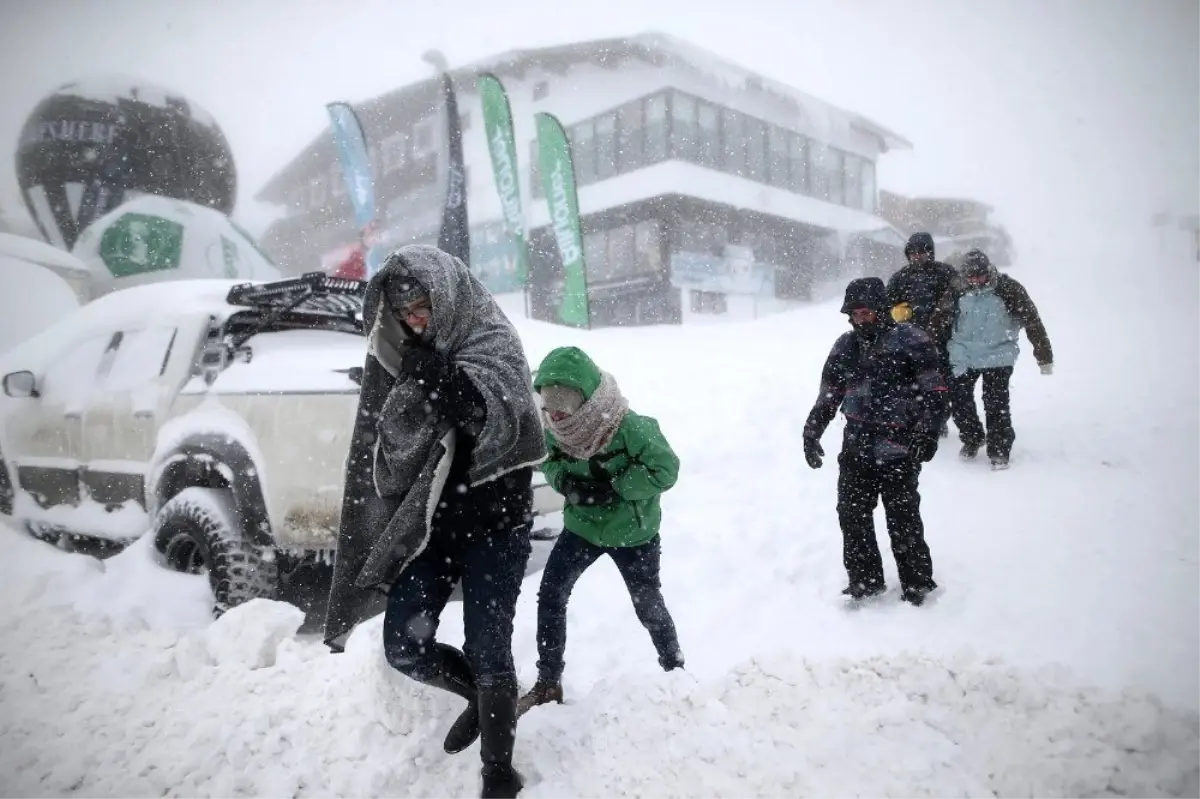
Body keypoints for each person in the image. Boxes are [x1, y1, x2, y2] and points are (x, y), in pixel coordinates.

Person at [323, 245, 546, 799]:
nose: (415, 321)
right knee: (403, 646)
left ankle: (500, 774)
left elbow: (502, 418)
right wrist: (416, 384)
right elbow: (392, 438)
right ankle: (481, 697)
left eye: (422, 306)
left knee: (489, 647)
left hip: (498, 522)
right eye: (404, 314)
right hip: (436, 525)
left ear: (445, 295)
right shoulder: (409, 352)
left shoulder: (490, 336)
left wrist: (440, 380)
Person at [517, 346, 684, 714]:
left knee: (648, 605)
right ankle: (548, 682)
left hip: (633, 534)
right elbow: (551, 462)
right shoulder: (554, 428)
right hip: (582, 528)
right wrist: (567, 484)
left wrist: (616, 487)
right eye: (549, 405)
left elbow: (666, 470)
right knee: (551, 596)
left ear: (585, 400)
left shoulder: (630, 427)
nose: (556, 414)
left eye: (563, 405)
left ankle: (676, 674)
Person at [802, 277, 948, 605]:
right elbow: (828, 395)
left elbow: (935, 391)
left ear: (881, 310)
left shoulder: (913, 340)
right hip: (856, 447)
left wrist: (928, 432)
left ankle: (917, 583)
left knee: (903, 516)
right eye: (853, 314)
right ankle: (865, 582)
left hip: (899, 447)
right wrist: (811, 432)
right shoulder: (845, 346)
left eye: (865, 312)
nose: (859, 319)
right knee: (852, 515)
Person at [935, 249, 1054, 470]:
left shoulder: (1008, 288)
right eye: (970, 276)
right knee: (959, 400)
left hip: (998, 355)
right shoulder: (957, 289)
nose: (975, 281)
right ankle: (973, 437)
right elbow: (939, 320)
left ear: (989, 270)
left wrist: (1043, 356)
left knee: (996, 403)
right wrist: (929, 348)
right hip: (964, 354)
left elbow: (1032, 321)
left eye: (979, 276)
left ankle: (999, 450)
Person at [887, 232, 958, 438]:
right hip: (911, 342)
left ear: (931, 252)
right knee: (913, 383)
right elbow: (886, 306)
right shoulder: (900, 278)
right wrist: (897, 312)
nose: (917, 256)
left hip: (944, 340)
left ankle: (940, 419)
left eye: (922, 252)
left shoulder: (945, 273)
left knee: (942, 383)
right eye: (913, 253)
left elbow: (961, 300)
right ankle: (920, 420)